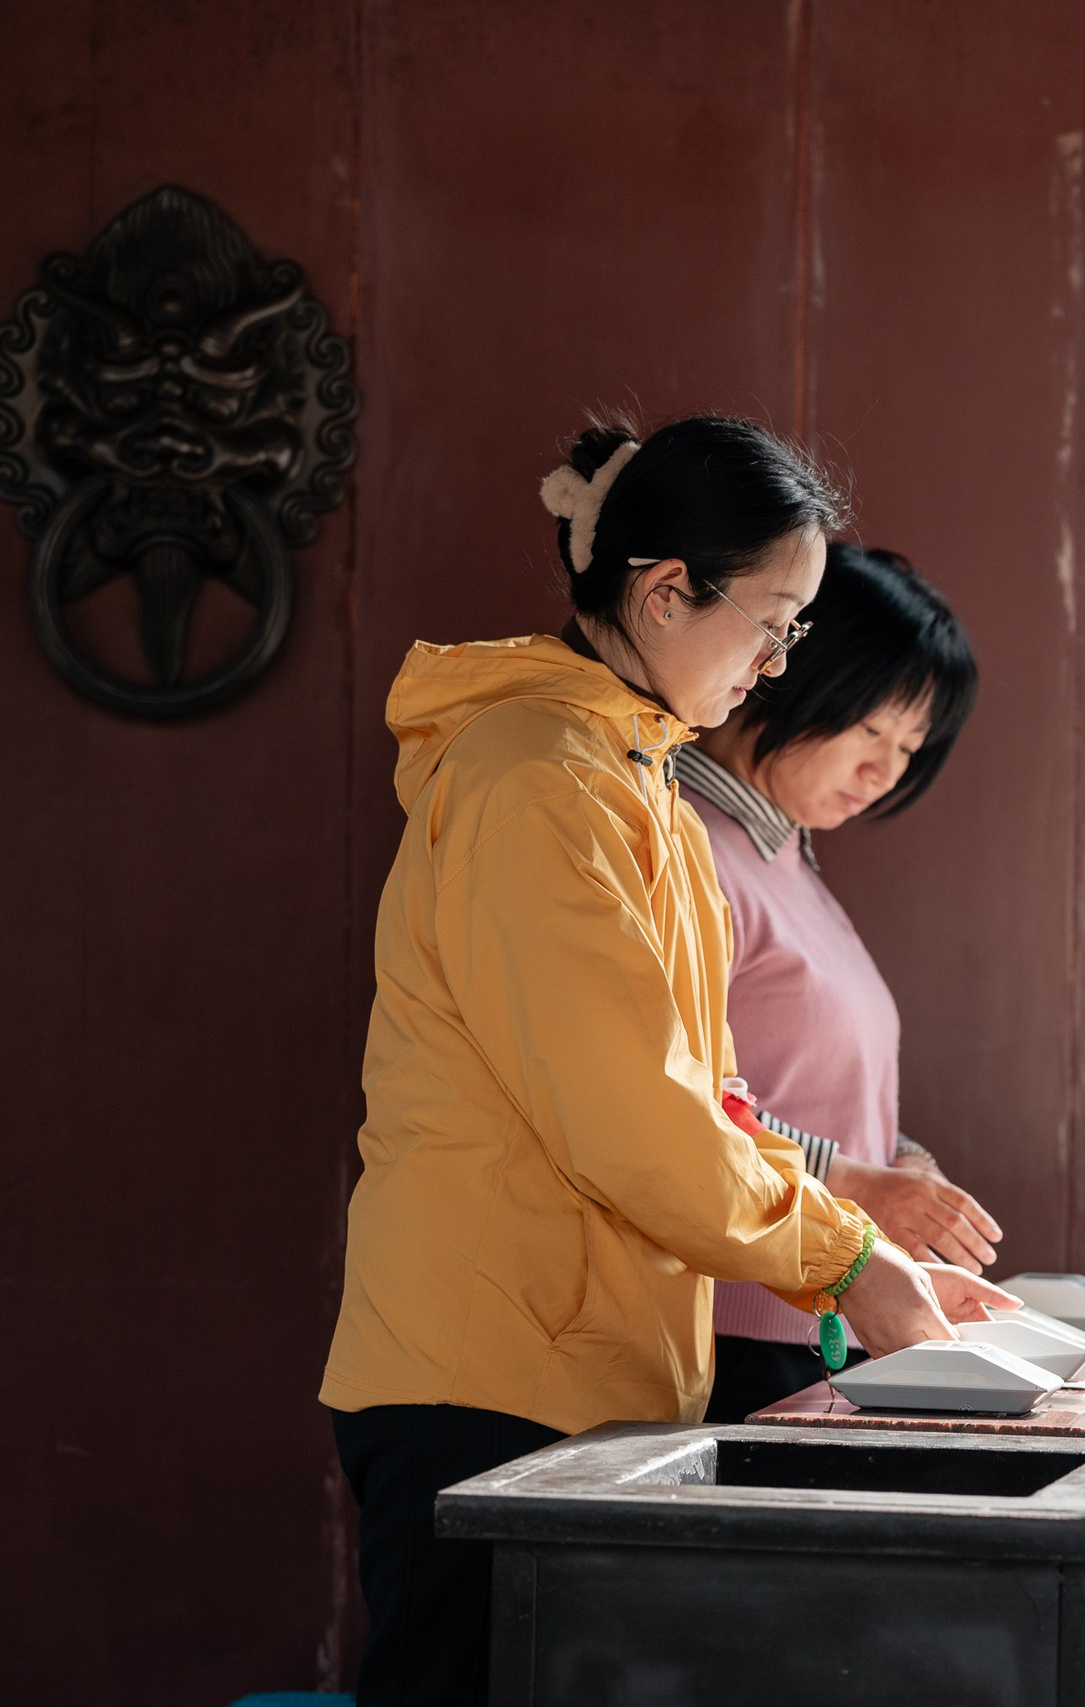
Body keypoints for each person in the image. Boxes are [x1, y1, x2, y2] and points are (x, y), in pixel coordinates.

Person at [320, 418, 1012, 1707]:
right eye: (771, 624)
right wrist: (849, 1260)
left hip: (579, 1362)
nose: (777, 662)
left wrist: (867, 1248)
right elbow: (633, 1116)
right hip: (489, 1369)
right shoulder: (541, 780)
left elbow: (712, 1099)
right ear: (661, 592)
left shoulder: (622, 776)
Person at [672, 543, 1005, 1424]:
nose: (887, 771)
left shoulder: (784, 856)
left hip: (818, 1311)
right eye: (871, 729)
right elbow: (686, 1097)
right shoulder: (688, 841)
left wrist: (900, 1164)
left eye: (909, 747)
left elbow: (808, 1084)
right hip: (739, 1324)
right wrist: (861, 1181)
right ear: (794, 673)